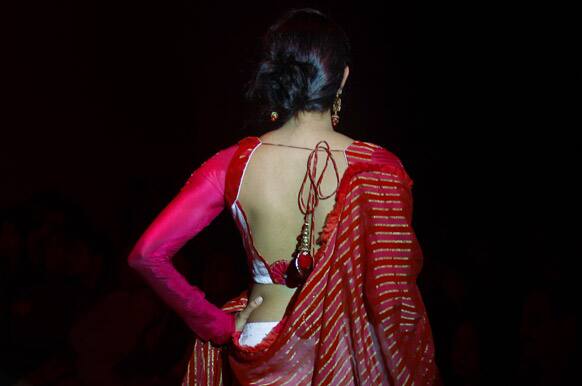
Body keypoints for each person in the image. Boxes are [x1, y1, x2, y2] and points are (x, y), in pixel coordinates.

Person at [127, 7, 441, 385]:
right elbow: (394, 302)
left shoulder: (233, 165)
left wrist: (217, 324)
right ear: (341, 78)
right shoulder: (381, 168)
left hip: (256, 344)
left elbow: (147, 255)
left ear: (277, 78)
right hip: (349, 357)